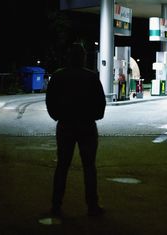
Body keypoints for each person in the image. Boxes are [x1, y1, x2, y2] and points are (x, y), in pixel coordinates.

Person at [46, 43, 106, 217]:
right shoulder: (92, 77)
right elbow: (100, 104)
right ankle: (92, 206)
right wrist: (94, 117)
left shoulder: (58, 76)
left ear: (68, 57)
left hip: (65, 126)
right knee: (89, 167)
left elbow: (50, 101)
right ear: (84, 58)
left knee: (62, 166)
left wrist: (58, 116)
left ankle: (56, 205)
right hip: (87, 126)